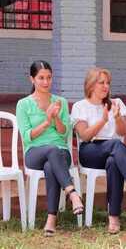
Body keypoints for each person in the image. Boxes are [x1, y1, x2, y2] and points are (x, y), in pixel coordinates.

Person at [71, 67, 126, 234]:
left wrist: (117, 117)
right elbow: (85, 135)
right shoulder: (80, 106)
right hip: (90, 151)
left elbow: (123, 132)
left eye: (108, 83)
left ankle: (114, 217)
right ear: (90, 85)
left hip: (114, 153)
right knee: (117, 147)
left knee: (113, 160)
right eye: (101, 82)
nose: (105, 86)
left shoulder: (117, 103)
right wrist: (103, 120)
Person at [16, 60, 84, 236]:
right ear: (32, 79)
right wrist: (47, 122)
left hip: (61, 151)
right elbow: (27, 136)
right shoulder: (23, 104)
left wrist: (56, 118)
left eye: (49, 77)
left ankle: (51, 219)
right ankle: (72, 193)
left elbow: (64, 134)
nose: (46, 82)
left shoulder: (59, 101)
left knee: (51, 164)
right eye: (41, 78)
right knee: (51, 151)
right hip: (34, 152)